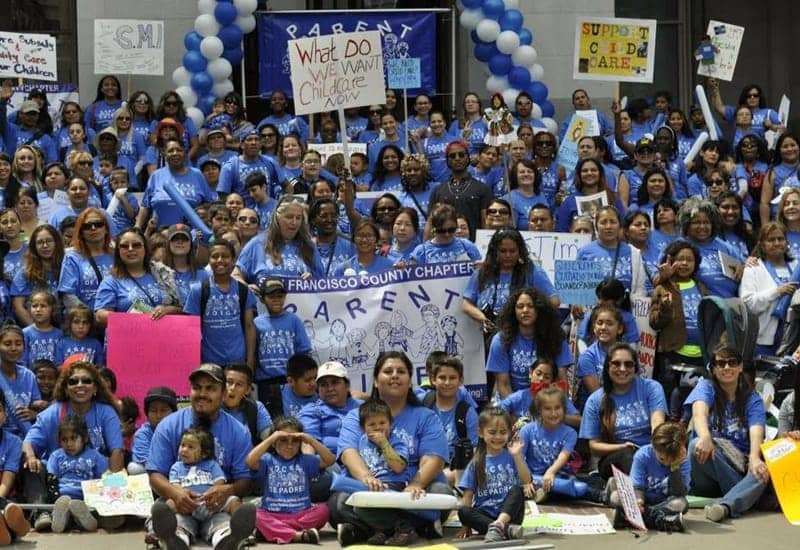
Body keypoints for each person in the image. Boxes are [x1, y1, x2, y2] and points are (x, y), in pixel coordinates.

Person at [331, 352, 451, 547]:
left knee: (441, 491)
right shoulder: (356, 416)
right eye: (388, 371)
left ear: (409, 381)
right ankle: (410, 527)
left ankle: (371, 529)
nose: (395, 375)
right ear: (376, 382)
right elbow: (349, 452)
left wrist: (415, 484)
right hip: (372, 487)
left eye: (401, 371)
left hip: (413, 489)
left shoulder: (426, 416)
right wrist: (367, 479)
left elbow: (434, 458)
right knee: (341, 502)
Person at [147, 363, 256, 550]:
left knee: (224, 525)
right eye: (197, 388)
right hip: (179, 503)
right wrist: (175, 493)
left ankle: (230, 540)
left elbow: (244, 480)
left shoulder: (238, 431)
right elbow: (155, 474)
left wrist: (226, 491)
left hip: (216, 506)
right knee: (173, 520)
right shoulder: (168, 425)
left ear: (223, 394)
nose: (202, 394)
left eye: (210, 388)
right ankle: (172, 540)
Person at [23, 361, 124, 531]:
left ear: (95, 388)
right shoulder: (53, 412)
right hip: (58, 480)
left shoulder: (106, 412)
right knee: (29, 466)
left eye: (86, 381)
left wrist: (111, 483)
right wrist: (32, 457)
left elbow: (117, 451)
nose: (80, 385)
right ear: (65, 387)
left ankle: (100, 513)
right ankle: (43, 513)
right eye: (73, 381)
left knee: (119, 474)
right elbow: (27, 443)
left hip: (96, 476)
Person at [685, 345, 769, 522]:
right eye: (721, 364)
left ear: (740, 368)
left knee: (761, 472)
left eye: (732, 363)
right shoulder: (706, 387)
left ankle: (724, 507)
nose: (727, 367)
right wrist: (706, 437)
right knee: (695, 445)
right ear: (713, 369)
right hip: (706, 470)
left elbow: (757, 430)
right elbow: (699, 413)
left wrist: (754, 457)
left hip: (735, 470)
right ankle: (746, 496)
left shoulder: (752, 398)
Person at [578, 343, 667, 480]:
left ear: (636, 368)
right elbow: (594, 447)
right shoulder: (595, 400)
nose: (622, 369)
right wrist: (622, 447)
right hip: (615, 458)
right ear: (607, 367)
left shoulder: (652, 388)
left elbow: (658, 425)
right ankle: (639, 492)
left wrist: (653, 449)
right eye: (616, 364)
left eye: (628, 364)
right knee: (628, 455)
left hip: (651, 452)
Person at [245, 416, 333, 545]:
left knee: (323, 510)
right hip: (273, 514)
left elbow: (329, 460)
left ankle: (276, 531)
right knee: (254, 514)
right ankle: (297, 535)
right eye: (283, 440)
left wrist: (310, 440)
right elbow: (250, 461)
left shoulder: (305, 460)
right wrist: (271, 438)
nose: (289, 445)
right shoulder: (268, 460)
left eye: (295, 441)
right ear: (274, 443)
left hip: (301, 514)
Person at [462, 229, 558, 343]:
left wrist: (528, 315)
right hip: (486, 337)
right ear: (495, 251)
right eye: (503, 251)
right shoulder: (483, 272)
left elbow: (554, 301)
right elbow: (466, 304)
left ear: (520, 251)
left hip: (522, 337)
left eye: (512, 251)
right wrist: (483, 319)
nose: (508, 255)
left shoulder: (531, 271)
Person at [648, 239, 708, 419]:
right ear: (670, 261)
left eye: (689, 260)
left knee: (692, 408)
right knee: (672, 406)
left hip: (699, 355)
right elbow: (654, 322)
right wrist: (665, 309)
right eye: (679, 259)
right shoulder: (663, 287)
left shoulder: (702, 287)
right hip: (673, 354)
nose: (684, 263)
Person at [456, 407, 529, 542]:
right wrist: (465, 525)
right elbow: (467, 496)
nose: (498, 437)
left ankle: (500, 525)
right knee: (463, 511)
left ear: (509, 433)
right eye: (492, 432)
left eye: (503, 432)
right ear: (481, 433)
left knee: (517, 490)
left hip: (510, 514)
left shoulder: (512, 456)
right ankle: (506, 530)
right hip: (486, 515)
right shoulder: (476, 462)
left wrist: (517, 455)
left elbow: (526, 480)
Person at [486, 288, 572, 398]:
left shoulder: (556, 337)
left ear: (539, 309)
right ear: (513, 311)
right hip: (511, 402)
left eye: (530, 306)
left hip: (547, 402)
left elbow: (561, 382)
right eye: (520, 306)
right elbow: (504, 385)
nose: (525, 310)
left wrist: (550, 411)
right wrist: (518, 413)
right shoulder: (500, 340)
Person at [184, 240, 257, 368]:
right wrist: (194, 361)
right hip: (209, 363)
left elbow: (249, 326)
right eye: (215, 256)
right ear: (209, 260)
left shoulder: (243, 290)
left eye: (225, 256)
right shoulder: (198, 290)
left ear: (233, 260)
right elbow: (191, 330)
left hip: (238, 362)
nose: (220, 260)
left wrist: (250, 361)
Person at [609, 421, 689, 532]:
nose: (666, 463)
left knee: (681, 504)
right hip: (643, 499)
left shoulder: (683, 460)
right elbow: (637, 486)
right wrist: (639, 502)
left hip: (664, 503)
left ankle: (627, 519)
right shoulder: (643, 455)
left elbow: (679, 493)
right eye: (662, 459)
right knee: (615, 497)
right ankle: (661, 521)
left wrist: (675, 466)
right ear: (653, 446)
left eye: (670, 460)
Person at [94, 228, 182, 327]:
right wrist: (133, 319)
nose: (130, 249)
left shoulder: (162, 274)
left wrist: (167, 310)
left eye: (136, 245)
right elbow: (100, 315)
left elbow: (182, 309)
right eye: (124, 246)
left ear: (145, 248)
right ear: (118, 251)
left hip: (161, 337)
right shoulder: (111, 281)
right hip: (128, 338)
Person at [253, 278, 312, 418]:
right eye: (271, 296)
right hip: (265, 382)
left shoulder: (294, 320)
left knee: (291, 418)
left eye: (280, 296)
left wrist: (300, 379)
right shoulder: (256, 323)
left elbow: (303, 352)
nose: (276, 300)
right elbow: (252, 352)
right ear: (262, 298)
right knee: (269, 420)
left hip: (289, 381)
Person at [519, 387, 588, 502]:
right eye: (547, 409)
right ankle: (544, 491)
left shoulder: (570, 433)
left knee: (580, 488)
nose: (553, 413)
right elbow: (519, 458)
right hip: (532, 476)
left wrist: (551, 472)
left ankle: (545, 493)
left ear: (564, 409)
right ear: (539, 410)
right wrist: (526, 480)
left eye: (557, 408)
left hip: (557, 475)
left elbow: (564, 456)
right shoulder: (527, 430)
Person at [234, 197, 324, 285]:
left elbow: (324, 284)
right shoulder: (257, 244)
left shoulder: (309, 247)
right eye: (289, 217)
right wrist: (248, 289)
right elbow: (235, 276)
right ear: (277, 218)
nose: (294, 222)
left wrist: (313, 282)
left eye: (298, 218)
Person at [740, 222, 798, 356]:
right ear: (762, 244)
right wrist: (777, 292)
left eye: (780, 239)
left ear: (786, 241)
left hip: (795, 338)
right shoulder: (753, 269)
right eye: (771, 240)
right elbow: (748, 304)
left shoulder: (796, 267)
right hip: (765, 340)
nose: (777, 243)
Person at [167, 427, 242, 527]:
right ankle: (158, 529)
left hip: (211, 504)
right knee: (169, 504)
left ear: (204, 453)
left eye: (190, 447)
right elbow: (175, 487)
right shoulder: (176, 467)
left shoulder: (211, 465)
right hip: (187, 504)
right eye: (182, 445)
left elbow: (220, 482)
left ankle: (242, 527)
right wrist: (184, 496)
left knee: (234, 501)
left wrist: (213, 495)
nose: (184, 450)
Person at [422, 357, 479, 485]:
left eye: (452, 378)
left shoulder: (467, 412)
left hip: (455, 473)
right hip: (423, 468)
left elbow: (475, 452)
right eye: (442, 377)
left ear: (460, 381)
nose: (447, 383)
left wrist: (452, 475)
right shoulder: (423, 405)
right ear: (433, 380)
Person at [137, 140, 217, 229]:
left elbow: (210, 203)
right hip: (160, 234)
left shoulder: (197, 174)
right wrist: (137, 227)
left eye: (179, 150)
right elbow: (145, 206)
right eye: (170, 151)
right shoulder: (156, 176)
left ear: (184, 153)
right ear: (164, 154)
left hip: (191, 235)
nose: (175, 153)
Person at [48, 415, 108, 533]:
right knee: (63, 505)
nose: (69, 444)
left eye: (73, 438)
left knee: (85, 509)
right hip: (62, 496)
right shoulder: (56, 456)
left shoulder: (95, 456)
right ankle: (61, 519)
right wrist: (54, 497)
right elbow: (51, 479)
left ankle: (87, 520)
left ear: (84, 438)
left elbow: (105, 477)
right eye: (64, 440)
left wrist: (120, 479)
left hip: (87, 497)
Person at [678, 198, 744, 298]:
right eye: (696, 222)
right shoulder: (678, 247)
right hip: (698, 305)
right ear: (687, 225)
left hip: (732, 303)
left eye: (706, 222)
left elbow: (746, 265)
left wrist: (743, 268)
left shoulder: (725, 247)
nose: (702, 227)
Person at [428, 141, 492, 241]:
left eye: (461, 155)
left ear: (468, 158)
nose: (457, 158)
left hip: (473, 248)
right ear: (447, 161)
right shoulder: (438, 190)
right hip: (445, 247)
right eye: (452, 156)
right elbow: (431, 224)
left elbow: (486, 223)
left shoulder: (482, 189)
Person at [576, 206, 646, 296]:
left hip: (625, 309)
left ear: (619, 226)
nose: (608, 226)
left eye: (613, 222)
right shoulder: (584, 252)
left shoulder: (634, 253)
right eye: (603, 222)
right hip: (593, 309)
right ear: (596, 226)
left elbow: (640, 290)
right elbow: (576, 292)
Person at [57, 208, 113, 311]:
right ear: (81, 232)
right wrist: (90, 317)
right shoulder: (72, 257)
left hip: (116, 319)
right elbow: (68, 295)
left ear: (106, 229)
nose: (93, 228)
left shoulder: (117, 255)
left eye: (98, 224)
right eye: (87, 226)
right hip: (86, 321)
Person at [11, 224, 63, 325]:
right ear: (34, 247)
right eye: (40, 242)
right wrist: (38, 330)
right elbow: (18, 306)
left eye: (49, 241)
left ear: (57, 243)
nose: (45, 246)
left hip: (64, 330)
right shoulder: (25, 272)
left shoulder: (67, 268)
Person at [576, 305, 625, 410]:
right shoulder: (587, 357)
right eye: (600, 323)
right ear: (594, 328)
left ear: (620, 329)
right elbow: (598, 396)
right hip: (597, 410)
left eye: (609, 323)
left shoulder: (628, 354)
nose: (603, 327)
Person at [218, 131, 282, 207]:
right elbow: (223, 196)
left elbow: (286, 185)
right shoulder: (230, 166)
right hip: (243, 214)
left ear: (261, 144)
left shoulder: (270, 162)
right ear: (242, 145)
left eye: (257, 139)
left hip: (269, 211)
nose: (253, 142)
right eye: (249, 139)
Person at [0, 324, 43, 436]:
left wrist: (33, 414)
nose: (13, 348)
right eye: (7, 344)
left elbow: (37, 406)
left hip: (25, 435)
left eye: (18, 344)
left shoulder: (28, 376)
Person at [556, 158, 619, 232]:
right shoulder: (569, 202)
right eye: (585, 171)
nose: (589, 173)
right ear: (579, 175)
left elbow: (621, 226)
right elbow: (562, 231)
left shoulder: (612, 197)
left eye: (593, 170)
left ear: (600, 174)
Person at [0, 392, 30, 545]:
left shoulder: (13, 442)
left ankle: (18, 526)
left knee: (9, 508)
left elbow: (8, 476)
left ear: (4, 415)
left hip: (4, 496)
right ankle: (8, 533)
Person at [409, 204, 481, 265]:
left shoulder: (467, 246)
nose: (447, 234)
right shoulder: (421, 251)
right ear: (434, 229)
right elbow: (410, 277)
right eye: (441, 231)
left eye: (451, 230)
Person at [129, 387, 178, 475]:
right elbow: (152, 465)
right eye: (153, 411)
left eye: (163, 410)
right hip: (155, 477)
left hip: (180, 476)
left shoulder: (182, 430)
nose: (159, 415)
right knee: (134, 468)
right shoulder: (141, 435)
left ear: (174, 413)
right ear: (147, 414)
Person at [22, 290, 62, 368]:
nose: (38, 310)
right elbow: (23, 360)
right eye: (34, 306)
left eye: (43, 306)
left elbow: (60, 363)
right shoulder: (25, 333)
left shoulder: (59, 334)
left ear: (52, 309)